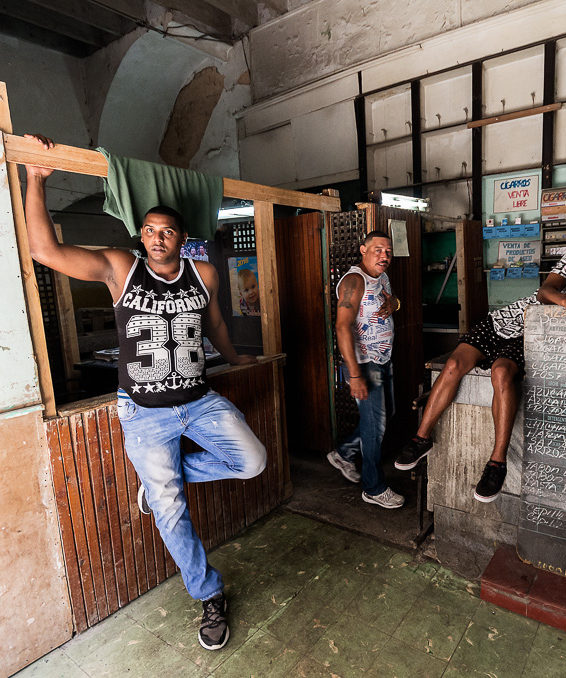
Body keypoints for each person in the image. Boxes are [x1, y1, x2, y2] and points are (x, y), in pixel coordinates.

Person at [23, 134, 267, 652]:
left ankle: (162, 487)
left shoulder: (202, 274)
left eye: (168, 232)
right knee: (173, 511)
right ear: (142, 234)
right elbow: (44, 251)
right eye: (151, 230)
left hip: (199, 402)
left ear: (182, 238)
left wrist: (237, 355)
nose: (158, 238)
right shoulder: (120, 268)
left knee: (252, 461)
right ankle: (209, 594)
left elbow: (216, 323)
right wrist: (36, 179)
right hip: (145, 414)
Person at [394, 233, 566, 503]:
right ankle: (421, 439)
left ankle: (496, 463)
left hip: (534, 337)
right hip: (508, 320)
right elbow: (545, 292)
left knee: (502, 373)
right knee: (453, 365)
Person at [326, 230, 405, 509]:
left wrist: (393, 304)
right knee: (376, 427)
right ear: (363, 249)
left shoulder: (381, 275)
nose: (384, 256)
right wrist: (355, 374)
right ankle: (373, 487)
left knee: (384, 417)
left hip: (383, 358)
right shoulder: (354, 280)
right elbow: (342, 326)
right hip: (364, 364)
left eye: (388, 251)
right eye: (378, 250)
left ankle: (344, 453)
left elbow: (392, 301)